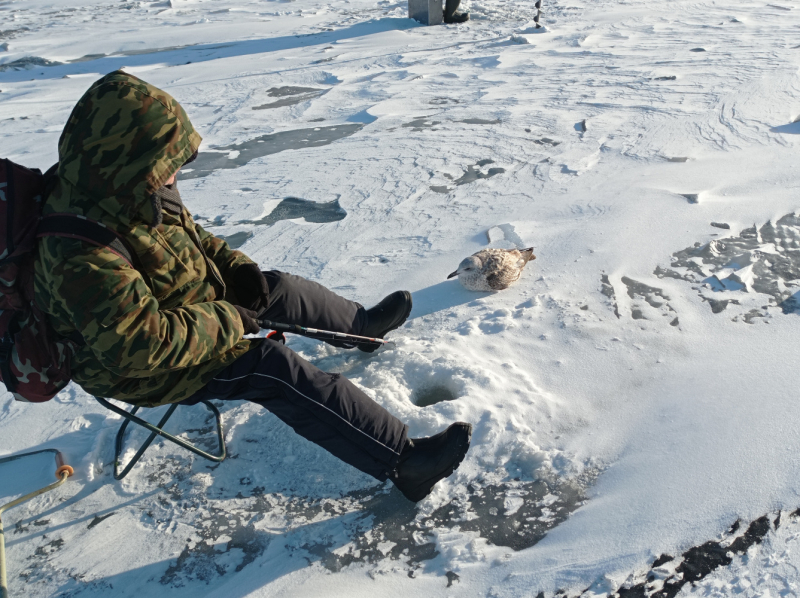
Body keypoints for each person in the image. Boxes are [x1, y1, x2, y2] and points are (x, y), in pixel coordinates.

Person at [34, 70, 471, 502]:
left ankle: (362, 326)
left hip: (181, 308)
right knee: (271, 367)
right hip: (140, 367)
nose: (174, 177)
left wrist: (237, 269)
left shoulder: (123, 185)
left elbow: (195, 240)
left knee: (274, 286)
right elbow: (139, 347)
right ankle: (403, 462)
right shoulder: (79, 253)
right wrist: (228, 317)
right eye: (166, 165)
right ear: (129, 157)